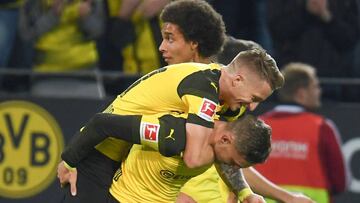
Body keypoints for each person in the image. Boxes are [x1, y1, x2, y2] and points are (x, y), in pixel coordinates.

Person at [58, 1, 311, 202]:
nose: (252, 107)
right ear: (238, 80)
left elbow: (227, 154)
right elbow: (194, 157)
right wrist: (70, 159)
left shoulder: (229, 103)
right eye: (254, 98)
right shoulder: (203, 87)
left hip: (130, 159)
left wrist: (245, 193)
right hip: (100, 153)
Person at [108, 114, 272, 203]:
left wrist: (245, 193)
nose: (234, 169)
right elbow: (106, 125)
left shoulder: (224, 127)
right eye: (253, 97)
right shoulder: (176, 131)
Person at [256, 63, 348, 203]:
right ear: (301, 93)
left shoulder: (257, 125)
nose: (319, 92)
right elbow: (340, 182)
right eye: (315, 86)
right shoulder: (322, 127)